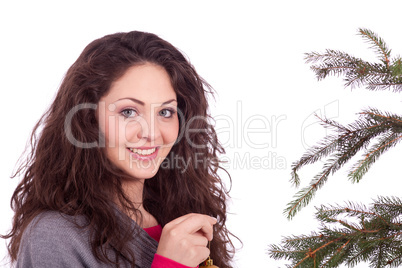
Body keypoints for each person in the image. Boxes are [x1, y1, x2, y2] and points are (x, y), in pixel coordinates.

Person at [3, 31, 235, 267]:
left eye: (165, 112)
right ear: (88, 118)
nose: (152, 133)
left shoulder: (179, 216)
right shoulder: (54, 236)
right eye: (128, 112)